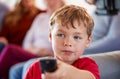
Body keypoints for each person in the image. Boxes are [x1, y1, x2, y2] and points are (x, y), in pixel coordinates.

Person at [24, 5, 100, 79]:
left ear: (87, 41)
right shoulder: (35, 68)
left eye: (76, 37)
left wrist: (65, 72)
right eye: (61, 35)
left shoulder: (87, 65)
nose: (67, 43)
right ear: (50, 36)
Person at [0, 0, 66, 79]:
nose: (48, 2)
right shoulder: (40, 17)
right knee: (13, 66)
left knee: (10, 51)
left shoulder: (64, 19)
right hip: (32, 52)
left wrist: (49, 52)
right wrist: (36, 50)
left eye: (52, 0)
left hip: (48, 54)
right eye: (46, 0)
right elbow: (26, 42)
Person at [0, 0, 44, 78]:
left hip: (25, 50)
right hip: (11, 51)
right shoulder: (11, 15)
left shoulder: (40, 14)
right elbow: (3, 35)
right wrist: (2, 38)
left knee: (9, 49)